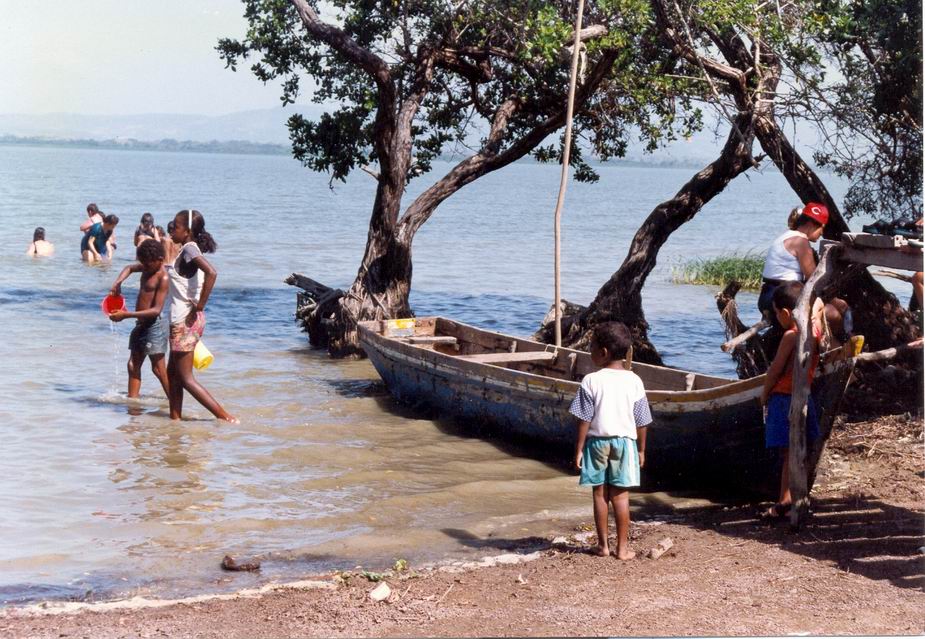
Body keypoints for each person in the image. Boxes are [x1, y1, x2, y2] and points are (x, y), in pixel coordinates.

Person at [569, 322, 651, 560]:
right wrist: (641, 450)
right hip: (625, 443)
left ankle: (603, 546)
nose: (590, 351)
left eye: (592, 347)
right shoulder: (635, 381)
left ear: (603, 352)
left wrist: (579, 449)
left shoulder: (591, 381)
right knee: (621, 495)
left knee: (599, 494)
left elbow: (584, 419)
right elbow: (642, 421)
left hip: (597, 442)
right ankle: (622, 549)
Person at [759, 281, 823, 520]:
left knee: (788, 452)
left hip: (784, 398)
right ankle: (795, 495)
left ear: (786, 313)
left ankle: (785, 499)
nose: (777, 318)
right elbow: (818, 304)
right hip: (806, 397)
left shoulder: (790, 336)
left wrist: (764, 395)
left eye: (777, 314)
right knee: (800, 449)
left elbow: (774, 371)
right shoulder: (815, 331)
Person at [166, 209, 237, 423]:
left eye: (175, 227)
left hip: (184, 321)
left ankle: (226, 418)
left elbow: (212, 272)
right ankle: (175, 420)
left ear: (187, 231)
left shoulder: (188, 248)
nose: (171, 230)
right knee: (173, 374)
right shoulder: (187, 249)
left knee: (186, 378)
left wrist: (200, 306)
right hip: (183, 320)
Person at [759, 202, 848, 349]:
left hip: (768, 295)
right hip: (781, 297)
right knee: (834, 314)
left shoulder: (787, 236)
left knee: (828, 310)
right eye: (821, 228)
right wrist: (836, 301)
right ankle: (836, 352)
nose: (821, 234)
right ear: (812, 224)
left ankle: (826, 349)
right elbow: (815, 280)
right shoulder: (800, 242)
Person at [108, 240, 171, 399]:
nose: (145, 267)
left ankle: (175, 403)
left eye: (148, 264)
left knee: (158, 369)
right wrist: (118, 281)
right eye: (143, 264)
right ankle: (133, 404)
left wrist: (125, 315)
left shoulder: (162, 278)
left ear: (160, 259)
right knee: (132, 365)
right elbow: (129, 268)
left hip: (155, 326)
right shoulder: (147, 266)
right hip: (141, 324)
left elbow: (156, 310)